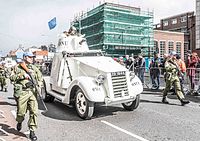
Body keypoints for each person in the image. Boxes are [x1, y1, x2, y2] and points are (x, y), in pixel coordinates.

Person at [10, 52, 43, 141]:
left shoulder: (35, 68)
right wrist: (22, 76)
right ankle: (19, 121)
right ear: (24, 57)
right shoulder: (17, 67)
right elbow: (11, 78)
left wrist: (39, 84)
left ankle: (32, 131)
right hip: (22, 93)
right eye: (29, 57)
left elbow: (40, 78)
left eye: (32, 57)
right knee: (21, 113)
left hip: (32, 92)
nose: (31, 59)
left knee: (34, 112)